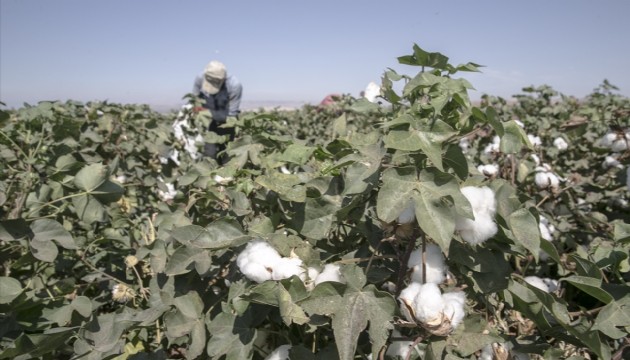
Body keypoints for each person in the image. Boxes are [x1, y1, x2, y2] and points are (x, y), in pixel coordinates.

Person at [192, 60, 243, 163]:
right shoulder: (200, 78)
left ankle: (225, 175)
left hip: (226, 120)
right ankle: (210, 175)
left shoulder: (235, 85)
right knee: (209, 153)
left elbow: (232, 115)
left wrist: (209, 113)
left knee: (226, 153)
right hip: (208, 121)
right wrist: (197, 110)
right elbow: (195, 98)